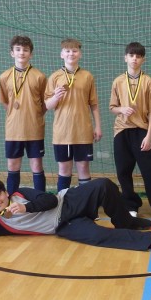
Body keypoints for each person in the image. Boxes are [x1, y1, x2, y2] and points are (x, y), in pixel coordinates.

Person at [0, 177, 151, 253]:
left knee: (104, 185)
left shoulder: (20, 194)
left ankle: (127, 222)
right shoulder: (0, 224)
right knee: (98, 236)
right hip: (64, 225)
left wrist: (27, 208)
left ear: (5, 192)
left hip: (68, 201)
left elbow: (50, 200)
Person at [109, 42, 151, 223]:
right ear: (125, 58)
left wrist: (148, 135)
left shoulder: (148, 81)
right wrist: (121, 109)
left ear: (143, 59)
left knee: (150, 171)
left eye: (138, 56)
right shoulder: (118, 81)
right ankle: (130, 205)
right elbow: (112, 107)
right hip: (122, 131)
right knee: (123, 171)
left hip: (142, 131)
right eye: (131, 55)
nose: (134, 59)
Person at [45, 38, 102, 192]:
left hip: (83, 131)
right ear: (61, 54)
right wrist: (55, 97)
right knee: (64, 169)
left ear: (80, 54)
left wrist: (98, 126)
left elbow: (94, 104)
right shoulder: (55, 77)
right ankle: (62, 204)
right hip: (62, 133)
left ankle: (86, 204)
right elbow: (47, 105)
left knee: (83, 168)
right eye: (68, 51)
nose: (71, 53)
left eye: (75, 50)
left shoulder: (87, 76)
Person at [0, 35, 48, 195]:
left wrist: (34, 114)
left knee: (37, 165)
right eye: (18, 49)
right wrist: (15, 114)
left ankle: (40, 201)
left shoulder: (40, 76)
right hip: (13, 130)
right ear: (12, 53)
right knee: (13, 166)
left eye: (25, 50)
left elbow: (45, 103)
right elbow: (5, 102)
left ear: (31, 54)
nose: (21, 53)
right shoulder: (4, 76)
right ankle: (12, 199)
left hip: (34, 129)